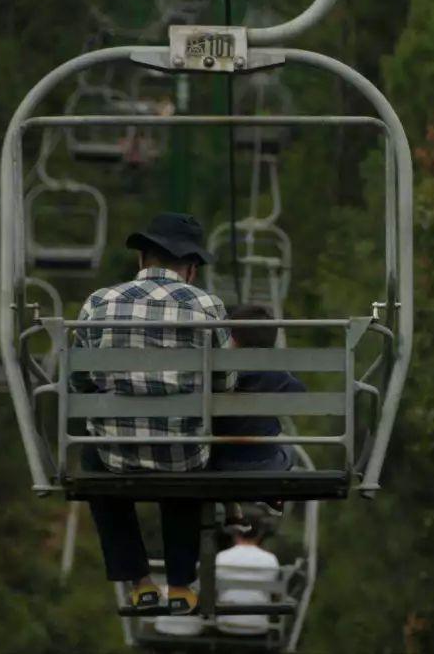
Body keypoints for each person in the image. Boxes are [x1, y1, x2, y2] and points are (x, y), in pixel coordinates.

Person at [71, 212, 234, 615]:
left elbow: (78, 379)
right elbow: (226, 383)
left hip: (115, 454)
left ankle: (140, 582)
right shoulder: (208, 305)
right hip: (183, 455)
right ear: (191, 267)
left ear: (141, 259)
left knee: (93, 458)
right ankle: (180, 584)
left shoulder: (99, 302)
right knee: (188, 458)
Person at [211, 303, 306, 476]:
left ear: (232, 338)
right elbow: (299, 394)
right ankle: (275, 495)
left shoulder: (221, 374)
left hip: (220, 462)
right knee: (288, 448)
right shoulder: (276, 375)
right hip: (265, 463)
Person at [215, 507, 282, 637]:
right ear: (260, 533)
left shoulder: (221, 558)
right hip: (258, 627)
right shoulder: (270, 560)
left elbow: (212, 594)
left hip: (226, 626)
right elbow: (276, 598)